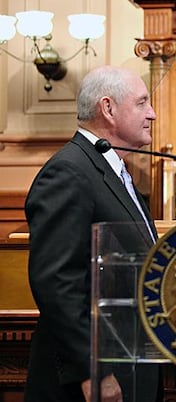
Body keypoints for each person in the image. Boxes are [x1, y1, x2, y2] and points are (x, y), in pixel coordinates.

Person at [24, 66, 160, 402]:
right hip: (90, 380)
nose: (152, 114)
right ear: (108, 109)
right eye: (142, 103)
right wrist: (91, 370)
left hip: (130, 360)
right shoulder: (68, 172)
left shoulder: (114, 171)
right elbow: (58, 283)